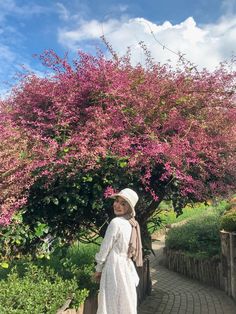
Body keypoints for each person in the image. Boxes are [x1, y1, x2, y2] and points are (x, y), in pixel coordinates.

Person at [94, 188, 143, 314]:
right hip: (125, 266)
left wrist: (98, 269)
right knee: (124, 300)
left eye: (123, 203)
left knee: (110, 301)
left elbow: (105, 248)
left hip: (113, 266)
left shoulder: (116, 222)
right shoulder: (131, 224)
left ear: (129, 208)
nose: (117, 205)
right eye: (117, 201)